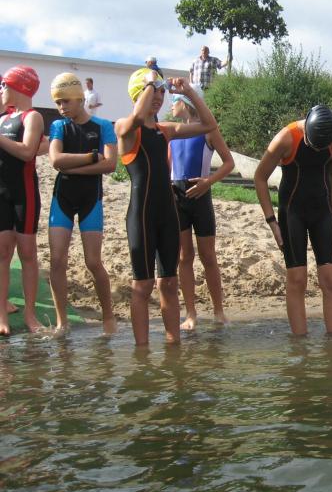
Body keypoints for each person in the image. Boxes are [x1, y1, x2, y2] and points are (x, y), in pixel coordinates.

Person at [116, 68, 217, 345]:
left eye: (162, 92)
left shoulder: (165, 131)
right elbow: (137, 118)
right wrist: (151, 83)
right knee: (143, 285)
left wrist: (189, 92)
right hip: (141, 216)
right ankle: (142, 353)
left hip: (168, 215)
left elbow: (209, 125)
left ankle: (174, 348)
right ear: (139, 95)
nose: (159, 97)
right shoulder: (125, 128)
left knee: (169, 282)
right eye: (153, 92)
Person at [254, 105, 332, 336]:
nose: (317, 150)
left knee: (331, 279)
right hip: (292, 213)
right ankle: (299, 344)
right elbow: (260, 177)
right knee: (297, 279)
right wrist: (272, 222)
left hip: (323, 212)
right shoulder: (286, 138)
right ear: (306, 130)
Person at [47, 72, 118, 335]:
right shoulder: (59, 126)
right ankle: (62, 321)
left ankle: (108, 318)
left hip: (90, 200)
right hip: (62, 199)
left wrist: (73, 167)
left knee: (93, 261)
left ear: (79, 98)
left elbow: (110, 164)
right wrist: (91, 158)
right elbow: (55, 160)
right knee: (57, 260)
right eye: (58, 102)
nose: (62, 107)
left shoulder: (103, 126)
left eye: (66, 101)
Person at [169, 87, 235, 330]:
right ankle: (190, 314)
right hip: (177, 196)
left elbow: (229, 163)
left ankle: (219, 311)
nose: (171, 105)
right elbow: (169, 166)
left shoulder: (207, 130)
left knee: (208, 256)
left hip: (200, 196)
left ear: (185, 103)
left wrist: (208, 182)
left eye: (174, 101)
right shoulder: (172, 131)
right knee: (184, 256)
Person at [0, 65, 44, 334]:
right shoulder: (3, 118)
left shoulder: (32, 117)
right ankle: (1, 316)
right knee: (2, 253)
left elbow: (28, 152)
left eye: (4, 85)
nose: (1, 90)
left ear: (19, 87)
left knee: (27, 253)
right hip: (1, 193)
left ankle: (30, 314)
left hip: (23, 193)